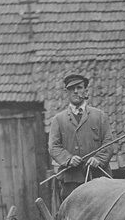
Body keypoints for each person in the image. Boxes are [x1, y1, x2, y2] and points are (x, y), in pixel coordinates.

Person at [48, 71, 115, 202]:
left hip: (99, 179)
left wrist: (98, 159)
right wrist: (68, 159)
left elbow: (109, 143)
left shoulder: (100, 116)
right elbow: (53, 147)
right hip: (71, 181)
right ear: (67, 92)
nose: (76, 92)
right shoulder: (58, 120)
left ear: (86, 91)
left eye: (79, 87)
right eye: (71, 89)